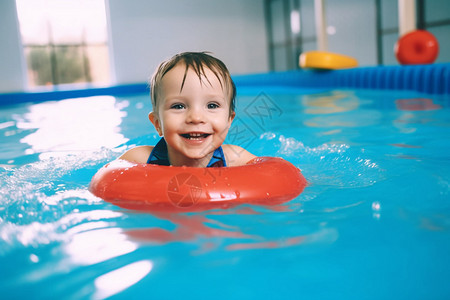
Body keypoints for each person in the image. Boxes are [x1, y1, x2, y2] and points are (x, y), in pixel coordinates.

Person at [119, 52, 256, 167]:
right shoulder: (138, 160)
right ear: (157, 123)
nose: (196, 118)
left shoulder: (236, 160)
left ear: (229, 121)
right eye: (178, 106)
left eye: (212, 105)